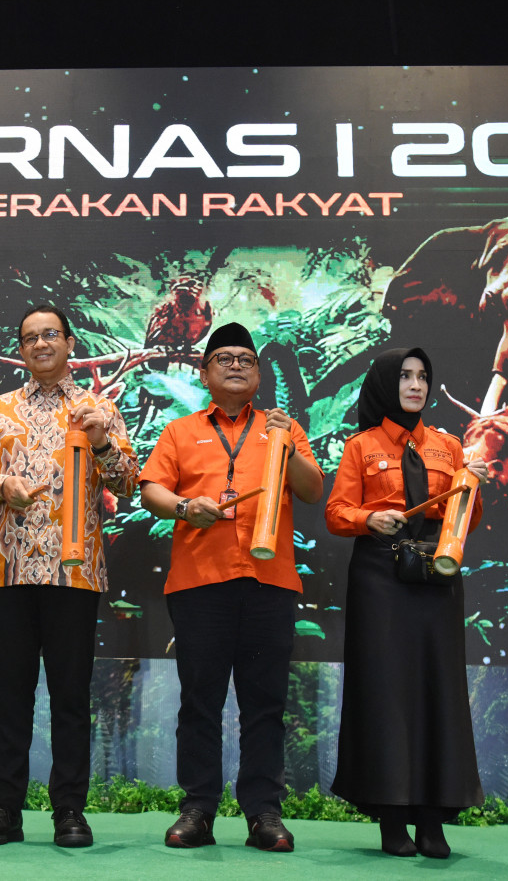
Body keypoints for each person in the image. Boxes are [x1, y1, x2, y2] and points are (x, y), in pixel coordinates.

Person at [0, 304, 138, 848]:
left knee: (70, 694)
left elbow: (128, 481)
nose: (40, 344)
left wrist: (102, 441)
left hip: (73, 572)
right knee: (10, 692)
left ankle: (69, 811)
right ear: (21, 349)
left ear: (69, 343)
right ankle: (5, 809)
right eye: (30, 337)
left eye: (50, 335)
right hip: (7, 569)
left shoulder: (98, 408)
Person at [138, 322, 324, 852]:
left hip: (270, 582)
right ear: (205, 371)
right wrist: (183, 507)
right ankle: (198, 807)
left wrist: (288, 446)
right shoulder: (181, 431)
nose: (237, 365)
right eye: (225, 358)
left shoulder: (282, 428)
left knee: (264, 702)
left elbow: (313, 491)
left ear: (260, 374)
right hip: (200, 582)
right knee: (201, 701)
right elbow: (151, 487)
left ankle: (264, 811)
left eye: (246, 358)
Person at [324, 347, 489, 859]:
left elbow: (469, 518)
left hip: (435, 577)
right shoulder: (361, 446)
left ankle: (433, 820)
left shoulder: (449, 445)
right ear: (383, 384)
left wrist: (471, 487)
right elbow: (335, 512)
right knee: (386, 694)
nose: (416, 385)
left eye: (422, 376)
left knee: (438, 689)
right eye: (405, 376)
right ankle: (392, 819)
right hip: (379, 578)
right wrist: (368, 519)